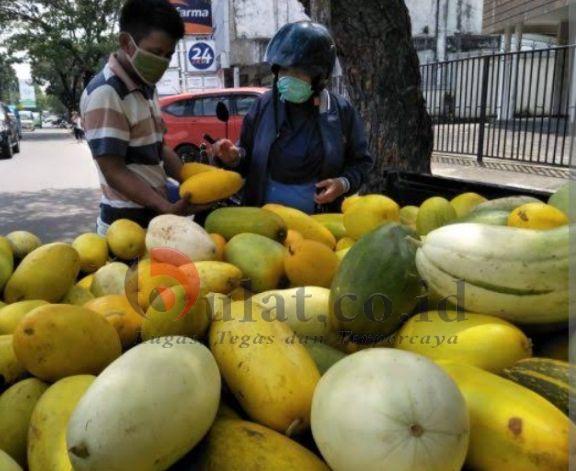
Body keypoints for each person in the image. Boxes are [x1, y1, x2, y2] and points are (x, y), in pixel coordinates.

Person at [211, 21, 374, 214]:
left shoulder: (340, 111)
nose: (287, 77)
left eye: (298, 72)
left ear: (320, 77)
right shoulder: (264, 106)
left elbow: (361, 163)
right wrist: (234, 157)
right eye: (284, 70)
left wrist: (344, 183)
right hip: (262, 217)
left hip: (318, 222)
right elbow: (246, 155)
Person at [81, 0, 206, 236]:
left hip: (154, 218)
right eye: (155, 53)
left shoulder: (145, 85)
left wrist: (194, 183)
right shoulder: (107, 93)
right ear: (127, 43)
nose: (162, 62)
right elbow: (114, 171)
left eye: (168, 55)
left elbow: (159, 148)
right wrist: (166, 207)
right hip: (125, 226)